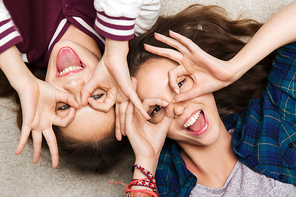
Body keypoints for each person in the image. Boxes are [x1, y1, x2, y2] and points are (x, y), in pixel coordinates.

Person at [121, 2, 296, 196]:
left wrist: (231, 69)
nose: (177, 108)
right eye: (156, 108)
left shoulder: (270, 122)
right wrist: (146, 160)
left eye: (179, 83)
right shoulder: (163, 183)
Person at [0, 0, 158, 172]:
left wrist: (22, 80)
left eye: (64, 105)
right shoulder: (135, 21)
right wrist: (115, 48)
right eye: (97, 95)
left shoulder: (12, 49)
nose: (74, 85)